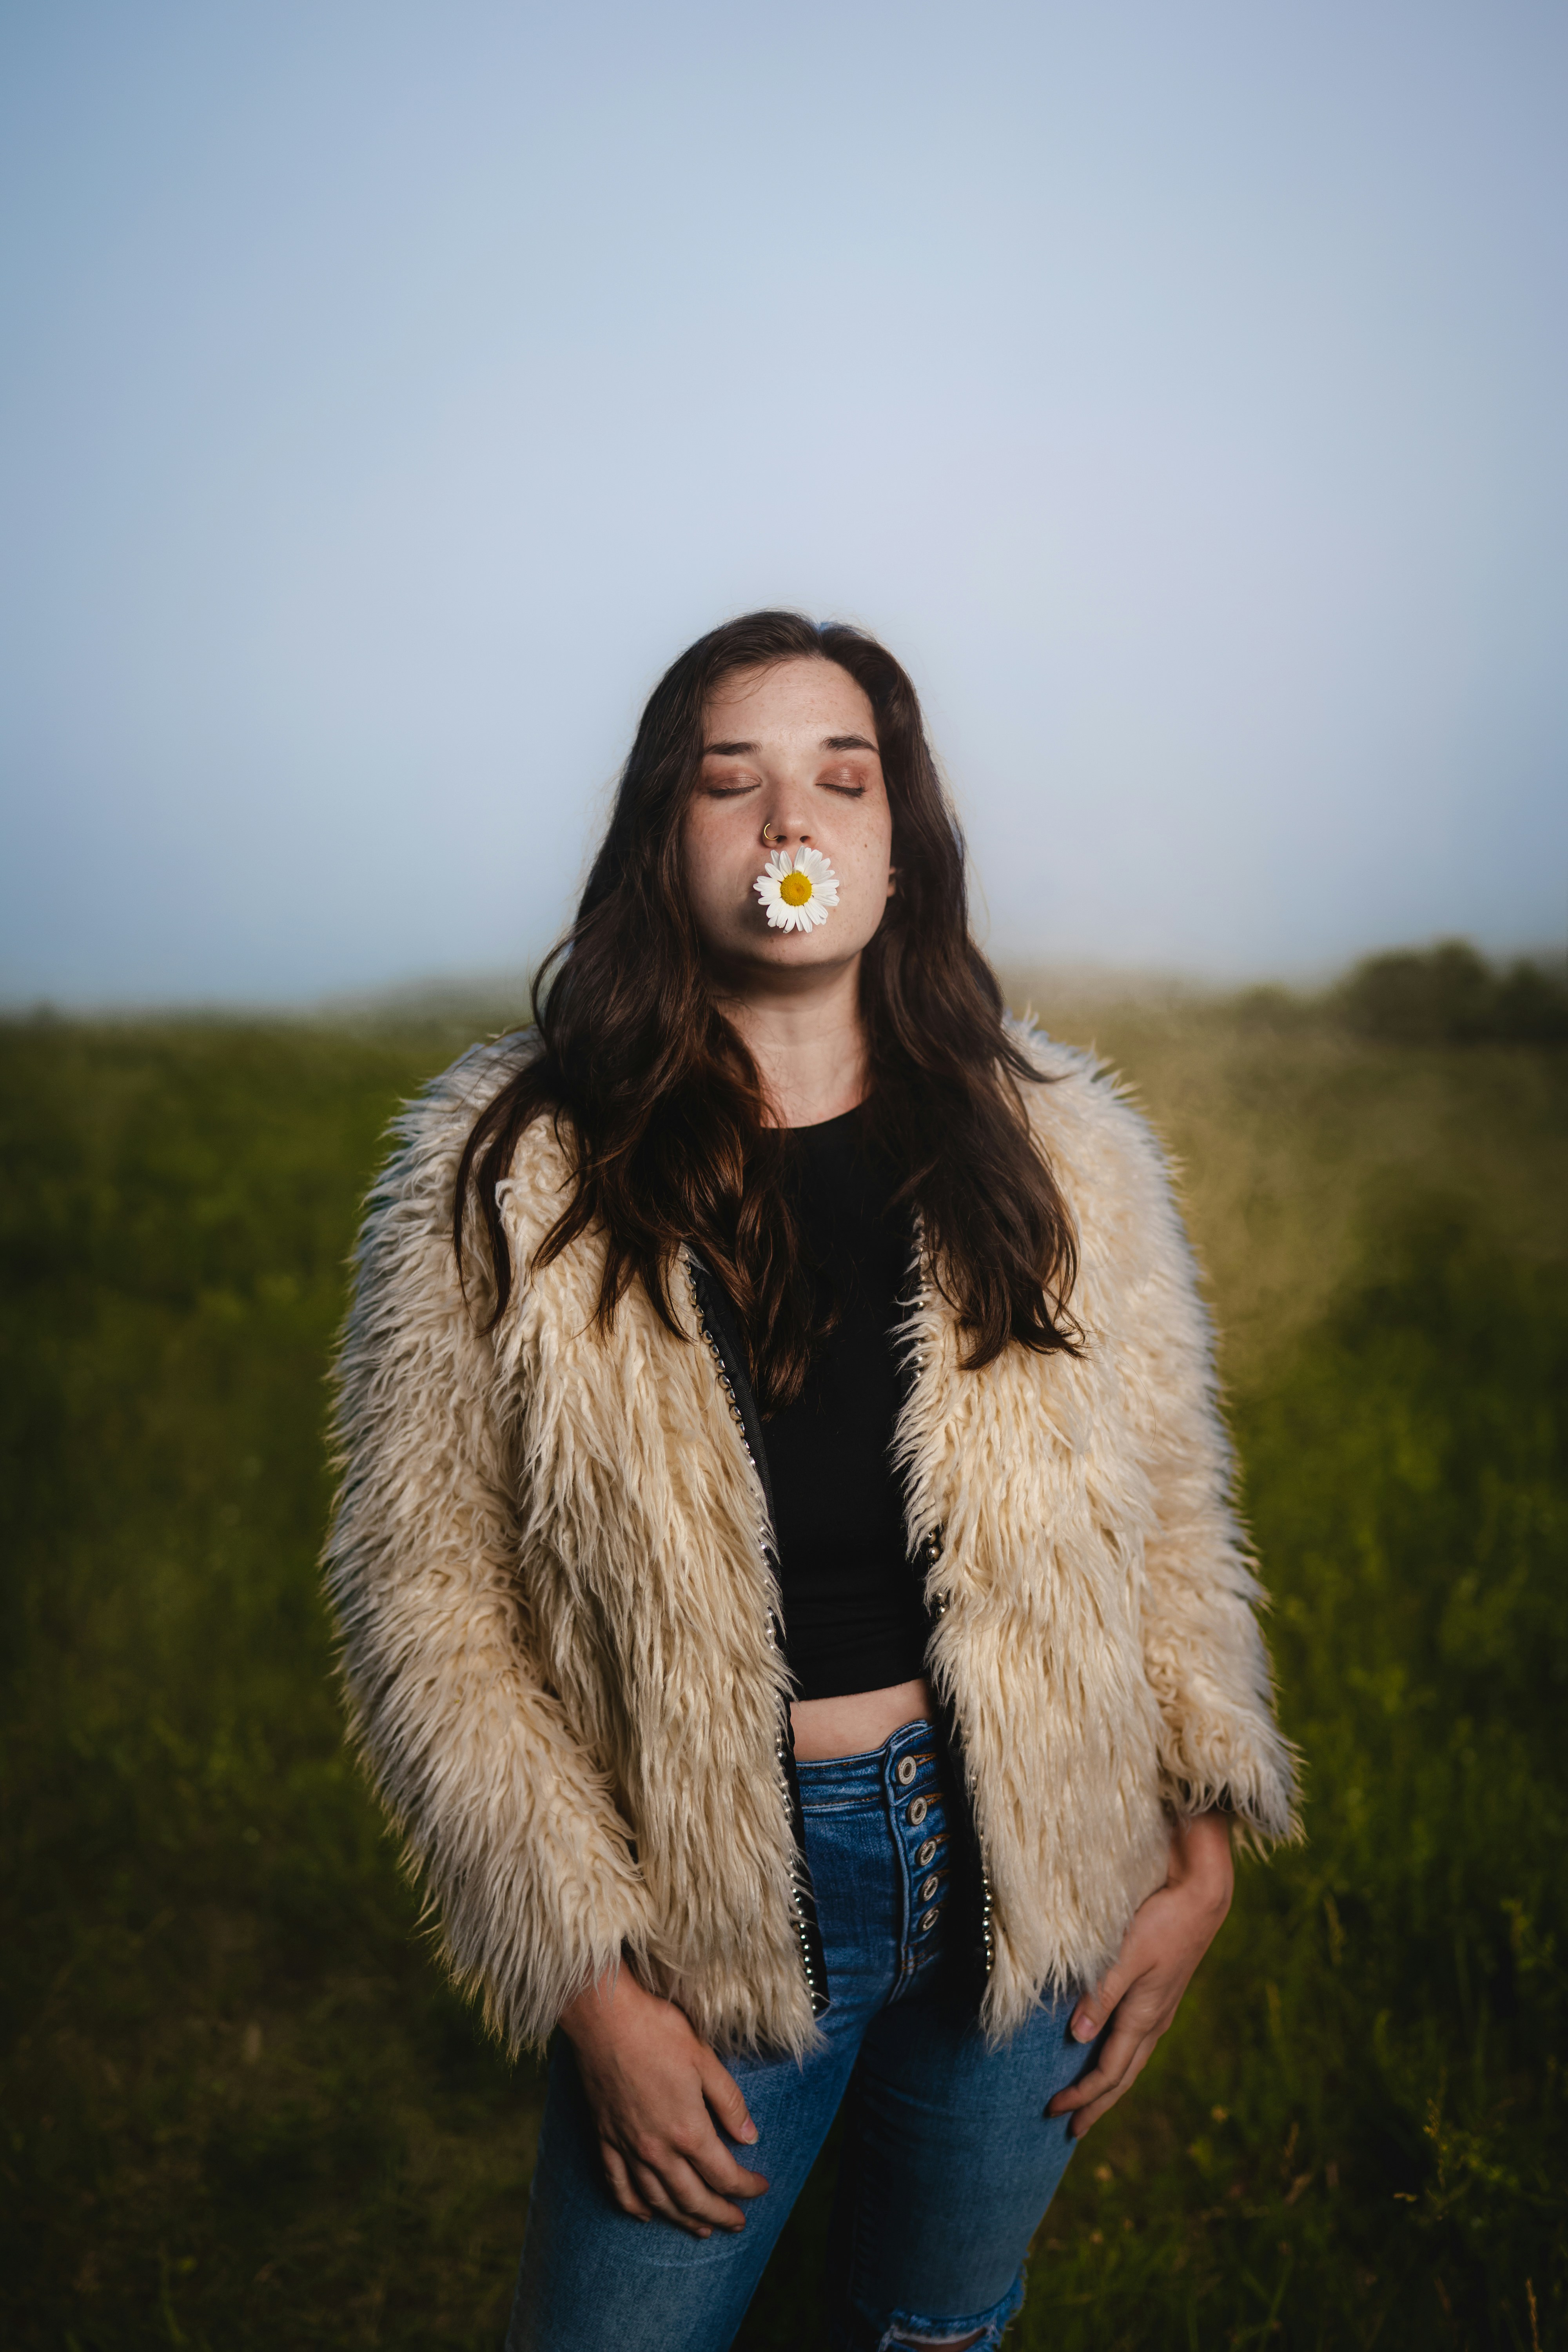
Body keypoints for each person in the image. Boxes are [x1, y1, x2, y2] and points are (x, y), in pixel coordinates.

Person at [325, 611, 1299, 2352]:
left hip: (1046, 1865)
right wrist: (586, 1973)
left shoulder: (1060, 1144)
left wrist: (1204, 1835)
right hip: (715, 1910)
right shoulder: (512, 1175)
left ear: (899, 844)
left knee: (934, 2331)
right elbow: (424, 1600)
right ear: (665, 840)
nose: (791, 824)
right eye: (733, 782)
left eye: (841, 779)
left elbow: (1170, 1512)